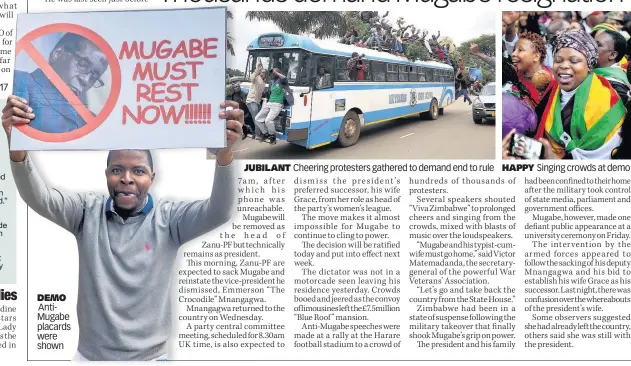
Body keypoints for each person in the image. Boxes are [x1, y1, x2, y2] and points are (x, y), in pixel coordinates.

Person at [2, 95, 243, 360]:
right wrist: (18, 148)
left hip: (151, 359)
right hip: (91, 358)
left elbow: (220, 211)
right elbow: (40, 198)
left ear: (152, 179)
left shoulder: (170, 219)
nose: (126, 179)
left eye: (138, 171)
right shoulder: (85, 212)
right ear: (106, 175)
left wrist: (225, 155)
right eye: (117, 170)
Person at [534, 29, 625, 160]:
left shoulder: (607, 98)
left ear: (589, 65)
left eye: (574, 61)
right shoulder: (551, 91)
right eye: (558, 60)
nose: (564, 66)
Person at [13, 33, 108, 133]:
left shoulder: (92, 122)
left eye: (94, 77)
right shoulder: (18, 81)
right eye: (83, 64)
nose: (85, 80)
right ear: (57, 54)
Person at [509, 31, 555, 105]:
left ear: (536, 56)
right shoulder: (512, 75)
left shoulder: (551, 83)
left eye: (520, 50)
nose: (513, 54)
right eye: (514, 50)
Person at [592, 29, 630, 104]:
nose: (591, 47)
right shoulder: (590, 74)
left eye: (598, 45)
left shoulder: (616, 88)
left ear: (612, 55)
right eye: (592, 43)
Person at [254, 68, 286, 143]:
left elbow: (284, 78)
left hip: (277, 104)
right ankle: (265, 133)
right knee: (257, 119)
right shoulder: (272, 82)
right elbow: (269, 92)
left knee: (268, 120)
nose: (273, 74)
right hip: (269, 103)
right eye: (273, 73)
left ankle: (272, 135)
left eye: (275, 72)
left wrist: (276, 72)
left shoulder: (282, 81)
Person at [245, 60, 267, 138]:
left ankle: (258, 132)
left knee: (261, 117)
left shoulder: (263, 82)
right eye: (262, 72)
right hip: (251, 101)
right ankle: (258, 134)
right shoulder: (256, 78)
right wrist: (258, 68)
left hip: (257, 102)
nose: (263, 73)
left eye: (264, 73)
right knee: (257, 118)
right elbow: (252, 77)